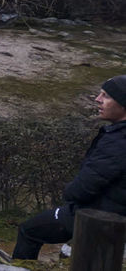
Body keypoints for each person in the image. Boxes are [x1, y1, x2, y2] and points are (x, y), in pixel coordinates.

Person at [12, 75, 126, 260]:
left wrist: (69, 193)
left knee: (29, 230)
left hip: (99, 215)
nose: (97, 99)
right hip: (113, 211)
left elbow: (85, 186)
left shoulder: (117, 141)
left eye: (106, 95)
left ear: (123, 103)